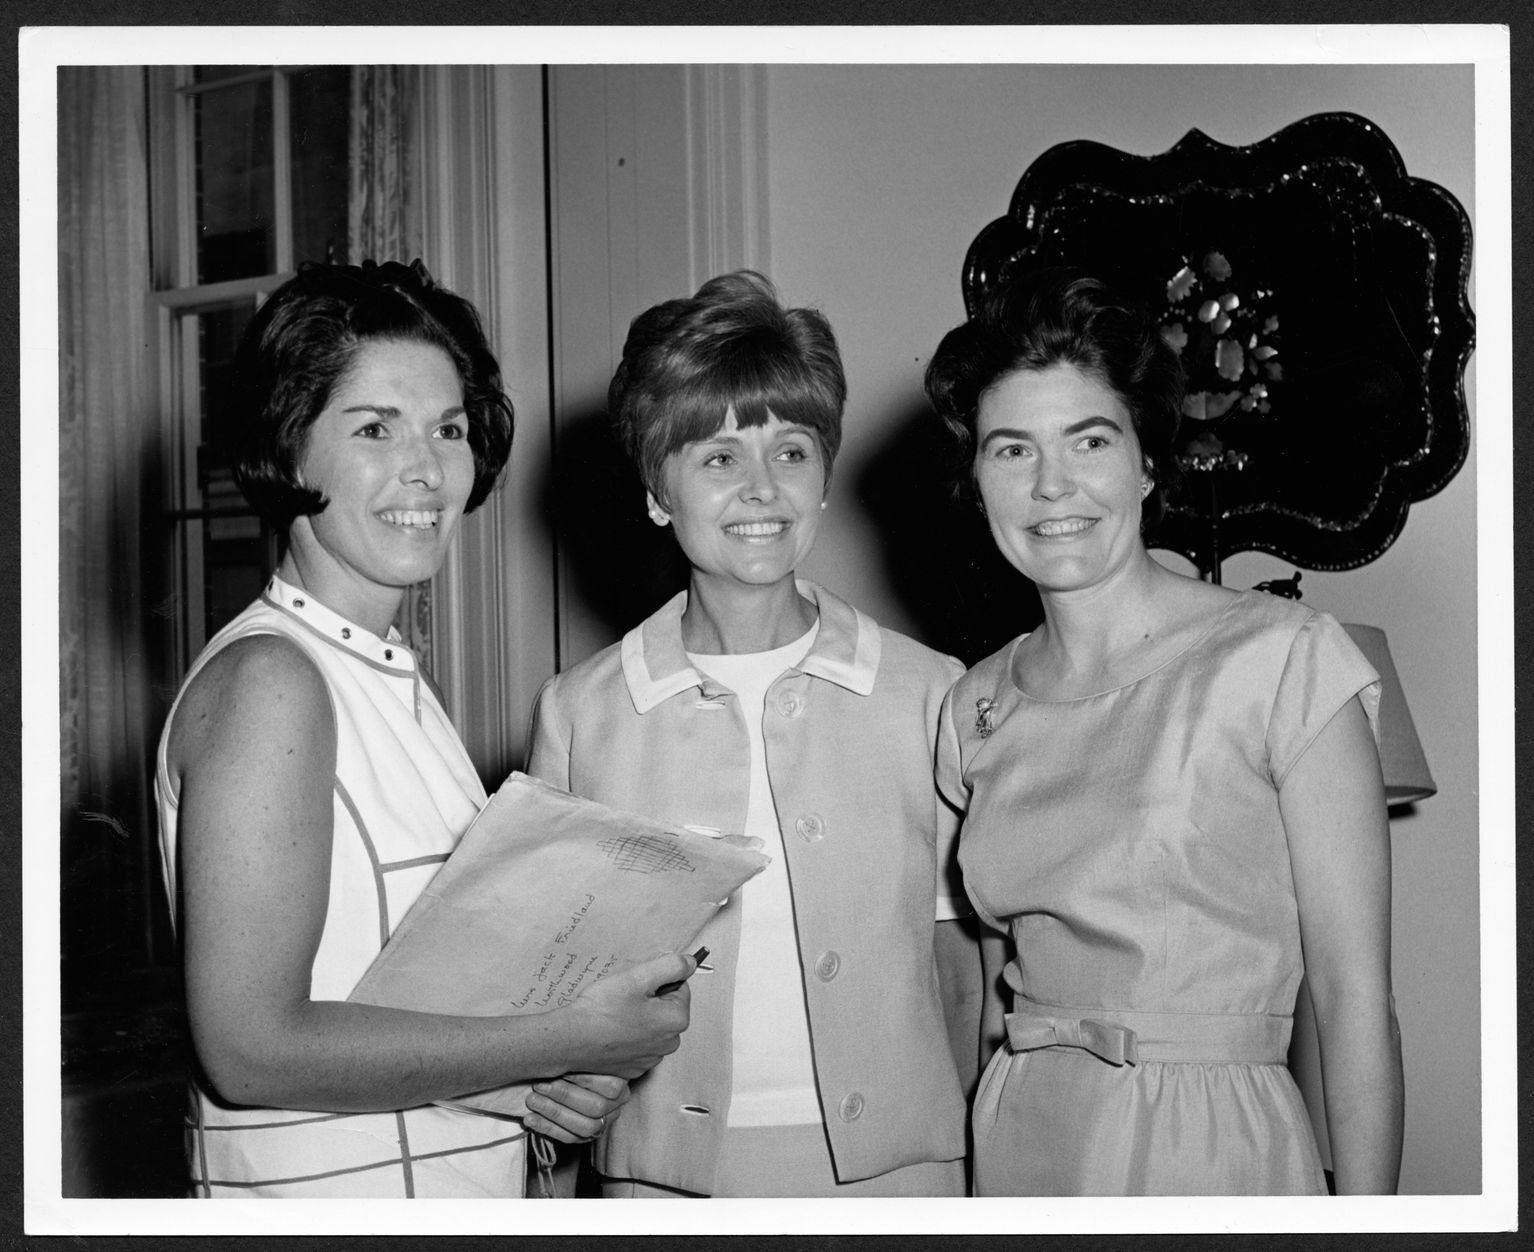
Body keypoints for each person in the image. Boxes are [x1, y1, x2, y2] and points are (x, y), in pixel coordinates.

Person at [154, 260, 694, 1198]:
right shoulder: (273, 680)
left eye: (449, 429)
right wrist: (566, 1038)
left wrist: (536, 1082)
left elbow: (409, 1012)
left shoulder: (382, 673)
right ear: (289, 452)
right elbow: (249, 1048)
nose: (428, 467)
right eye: (374, 428)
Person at [925, 267, 1404, 1196]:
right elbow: (993, 995)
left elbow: (1354, 1005)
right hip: (1022, 1137)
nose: (1051, 484)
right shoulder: (973, 705)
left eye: (1089, 440)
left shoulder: (1282, 658)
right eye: (1011, 450)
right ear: (976, 480)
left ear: (1147, 461)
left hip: (1211, 1142)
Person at [526, 271, 981, 1198]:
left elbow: (959, 966)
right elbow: (553, 990)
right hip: (660, 1179)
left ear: (823, 478)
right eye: (718, 457)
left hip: (899, 1174)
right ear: (659, 491)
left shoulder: (931, 692)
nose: (762, 490)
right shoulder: (581, 712)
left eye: (793, 451)